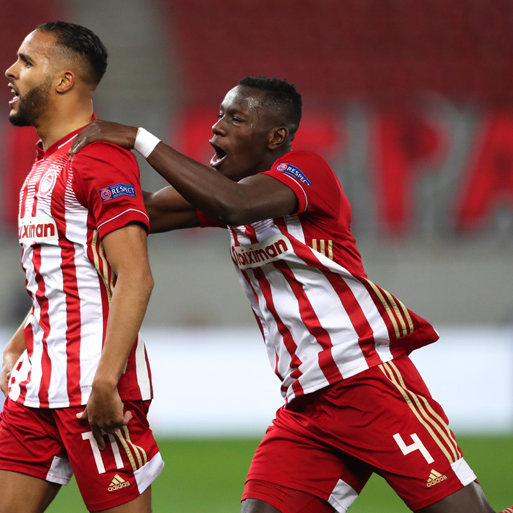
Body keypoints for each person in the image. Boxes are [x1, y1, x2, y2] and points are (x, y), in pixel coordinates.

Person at [70, 76, 511, 513]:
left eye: (235, 119)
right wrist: (75, 174)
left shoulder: (307, 171)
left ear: (276, 137)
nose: (216, 128)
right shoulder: (228, 192)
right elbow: (142, 210)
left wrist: (139, 139)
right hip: (307, 404)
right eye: (220, 115)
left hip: (367, 382)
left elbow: (233, 205)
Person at [0, 22, 163, 513]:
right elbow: (68, 278)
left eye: (26, 61)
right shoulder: (47, 161)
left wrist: (106, 380)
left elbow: (135, 276)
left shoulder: (99, 158)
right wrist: (20, 340)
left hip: (91, 391)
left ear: (64, 80)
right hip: (34, 390)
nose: (11, 70)